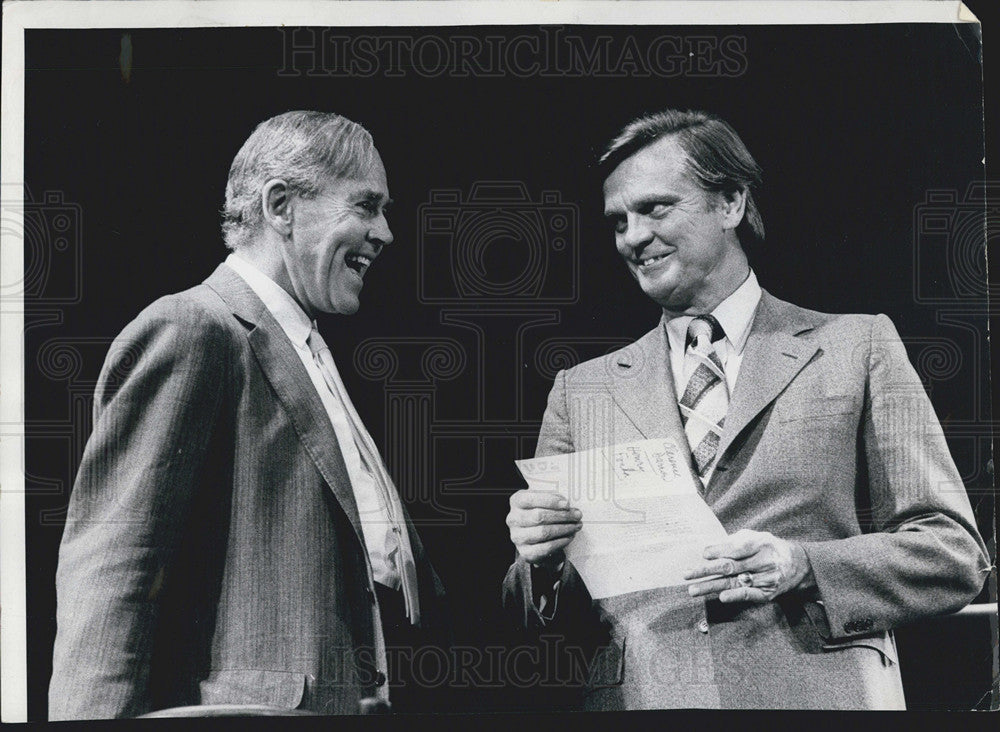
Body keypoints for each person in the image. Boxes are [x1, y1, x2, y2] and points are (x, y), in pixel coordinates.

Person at [502, 109, 989, 710]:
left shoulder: (857, 346)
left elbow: (952, 553)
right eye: (618, 221)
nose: (631, 237)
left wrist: (803, 563)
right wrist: (541, 562)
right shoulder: (583, 389)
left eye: (655, 208)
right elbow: (535, 609)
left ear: (730, 202)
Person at [48, 111, 449, 719]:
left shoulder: (306, 344)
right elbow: (111, 570)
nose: (386, 232)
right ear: (281, 205)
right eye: (366, 206)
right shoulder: (191, 328)